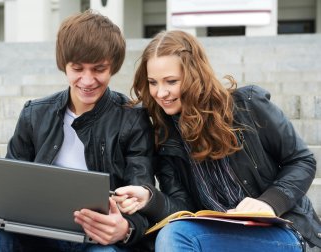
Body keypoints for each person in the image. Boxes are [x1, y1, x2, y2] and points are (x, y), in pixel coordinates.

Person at [113, 30, 321, 251]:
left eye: (171, 81)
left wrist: (269, 202)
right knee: (173, 233)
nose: (160, 92)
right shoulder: (166, 140)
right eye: (153, 82)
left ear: (195, 76)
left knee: (176, 237)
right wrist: (149, 199)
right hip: (216, 235)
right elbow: (184, 209)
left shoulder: (248, 106)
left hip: (281, 232)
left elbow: (302, 160)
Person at [0, 10, 155, 252]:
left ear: (113, 67)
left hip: (98, 240)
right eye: (77, 68)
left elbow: (141, 195)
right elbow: (9, 192)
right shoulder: (34, 115)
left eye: (99, 69)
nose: (87, 81)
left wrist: (126, 228)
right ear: (63, 65)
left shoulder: (132, 119)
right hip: (38, 236)